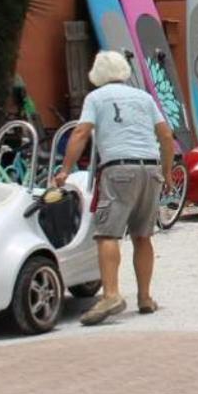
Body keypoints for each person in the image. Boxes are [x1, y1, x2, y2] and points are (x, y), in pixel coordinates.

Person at [53, 50, 175, 326]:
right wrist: (166, 172)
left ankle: (110, 294)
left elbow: (81, 132)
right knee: (143, 236)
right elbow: (166, 135)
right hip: (151, 168)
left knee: (107, 235)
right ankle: (144, 297)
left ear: (97, 75)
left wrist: (65, 169)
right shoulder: (144, 98)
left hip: (118, 170)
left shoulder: (95, 98)